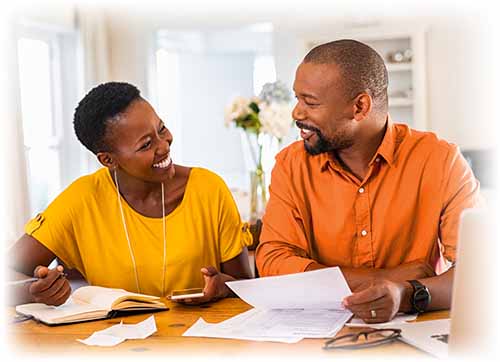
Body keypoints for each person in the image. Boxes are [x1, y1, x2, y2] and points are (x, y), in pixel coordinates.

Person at [256, 39, 480, 323]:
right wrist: (381, 278)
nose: (296, 113)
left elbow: (478, 270)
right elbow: (274, 262)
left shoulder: (440, 160)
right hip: (316, 336)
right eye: (297, 99)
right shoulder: (291, 165)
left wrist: (406, 294)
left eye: (310, 102)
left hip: (416, 333)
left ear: (360, 107)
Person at [8, 82, 252, 306]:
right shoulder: (81, 200)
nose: (164, 145)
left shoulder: (209, 189)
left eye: (162, 129)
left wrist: (222, 287)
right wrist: (35, 290)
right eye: (146, 144)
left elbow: (245, 287)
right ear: (108, 159)